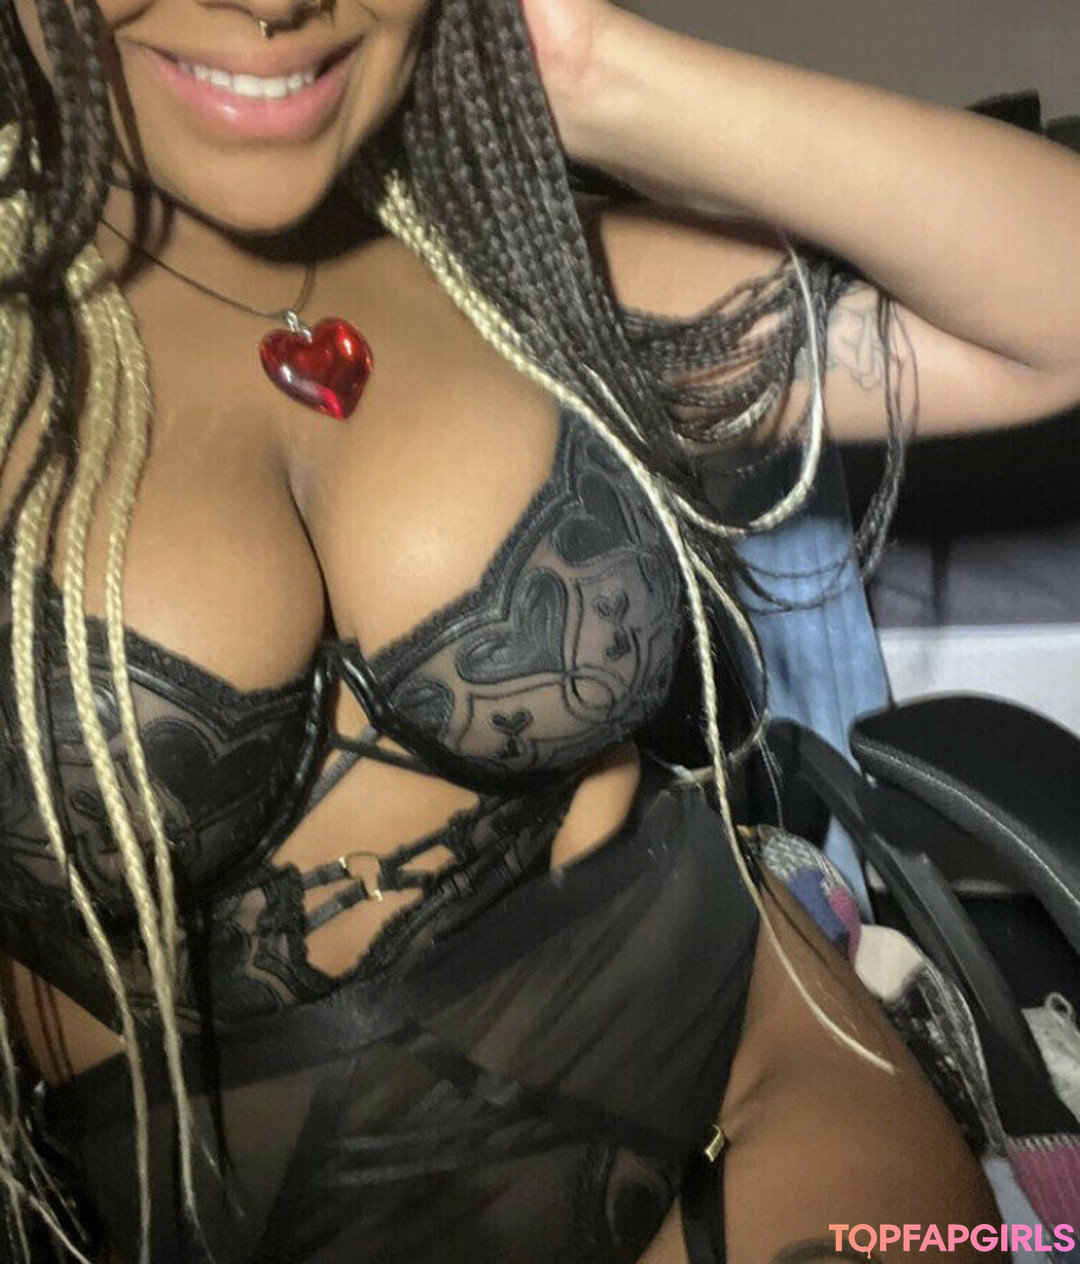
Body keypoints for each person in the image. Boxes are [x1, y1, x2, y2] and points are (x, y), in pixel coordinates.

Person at [0, 0, 1077, 1259]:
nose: (273, 4)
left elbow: (1053, 318)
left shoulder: (512, 273)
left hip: (741, 1059)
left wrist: (580, 63)